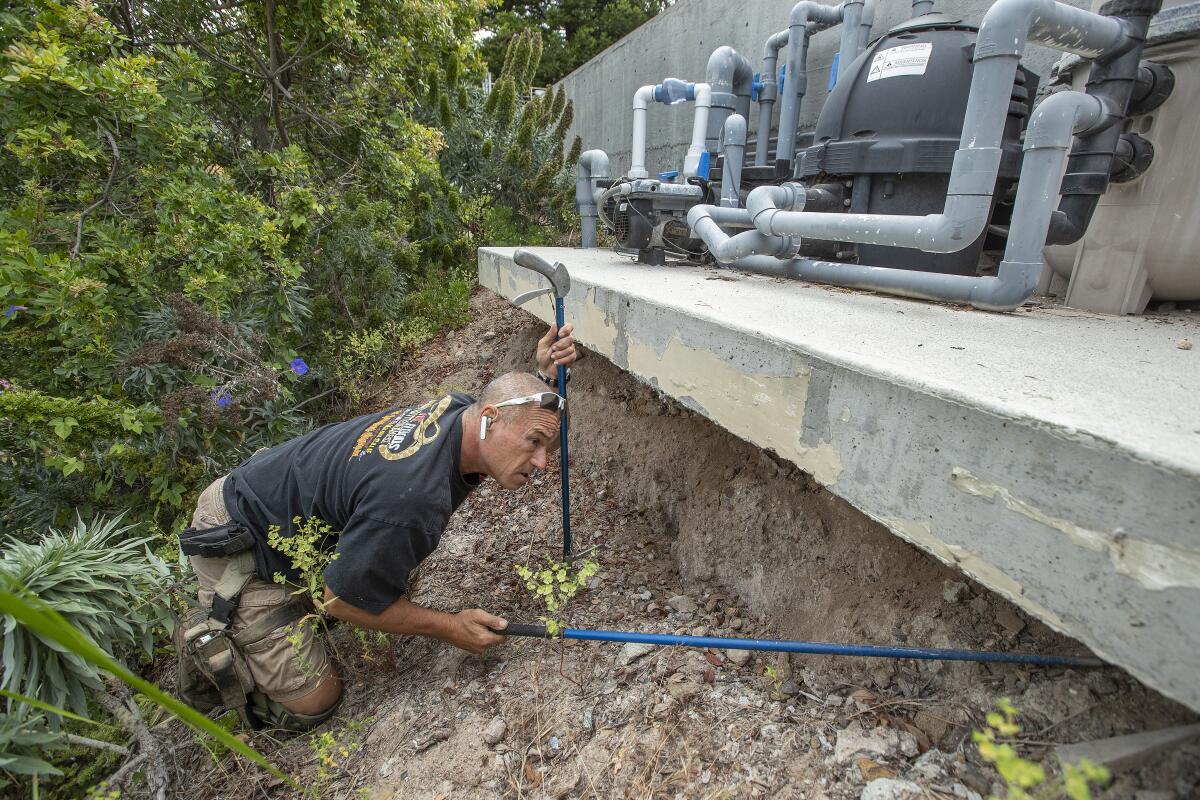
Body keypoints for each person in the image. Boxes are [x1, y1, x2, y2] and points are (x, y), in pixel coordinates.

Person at [176, 323, 577, 731]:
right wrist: (451, 627)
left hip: (277, 494)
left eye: (544, 447)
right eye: (534, 444)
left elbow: (515, 413)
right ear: (489, 419)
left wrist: (543, 379)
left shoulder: (461, 411)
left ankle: (310, 592)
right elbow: (342, 602)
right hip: (240, 534)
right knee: (315, 703)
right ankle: (216, 635)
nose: (543, 463)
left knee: (382, 565)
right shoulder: (412, 499)